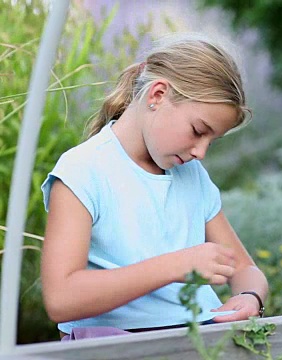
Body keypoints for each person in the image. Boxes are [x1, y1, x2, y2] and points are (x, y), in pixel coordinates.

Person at [40, 33, 268, 339]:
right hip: (115, 346)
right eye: (198, 131)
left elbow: (244, 270)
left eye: (211, 141)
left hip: (200, 341)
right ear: (158, 95)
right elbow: (61, 299)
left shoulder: (194, 177)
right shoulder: (83, 171)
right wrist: (177, 265)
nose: (201, 152)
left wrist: (249, 296)